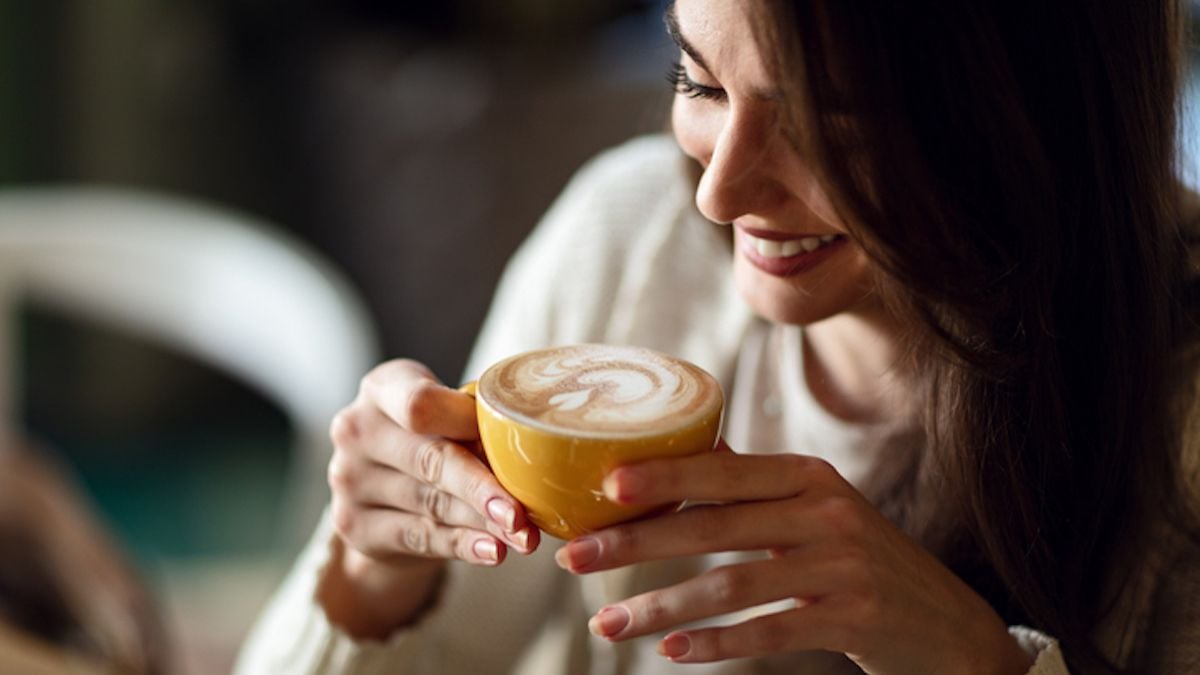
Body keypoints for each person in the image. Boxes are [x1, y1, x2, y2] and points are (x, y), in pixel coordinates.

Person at [236, 0, 1200, 673]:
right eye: (697, 82)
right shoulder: (632, 236)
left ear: (1035, 114)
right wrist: (375, 574)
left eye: (834, 127)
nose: (717, 192)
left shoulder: (1176, 406)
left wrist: (974, 661)